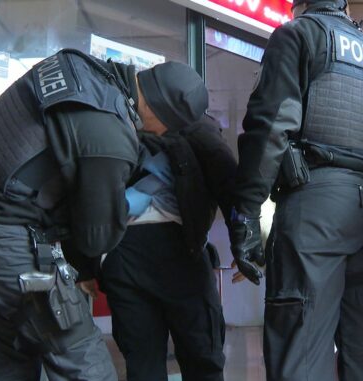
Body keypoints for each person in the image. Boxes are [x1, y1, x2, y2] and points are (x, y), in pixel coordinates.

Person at [0, 49, 143, 380]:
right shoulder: (108, 130)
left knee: (4, 358)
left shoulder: (77, 67)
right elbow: (97, 236)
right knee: (81, 357)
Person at [228, 0, 363, 379]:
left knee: (302, 344)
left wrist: (246, 213)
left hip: (314, 210)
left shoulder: (298, 35)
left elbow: (270, 128)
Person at [97, 62, 236, 381]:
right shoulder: (114, 125)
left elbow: (228, 183)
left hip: (173, 249)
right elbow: (89, 194)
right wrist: (87, 262)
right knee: (156, 362)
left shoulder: (197, 130)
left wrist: (246, 244)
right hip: (132, 251)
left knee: (200, 356)